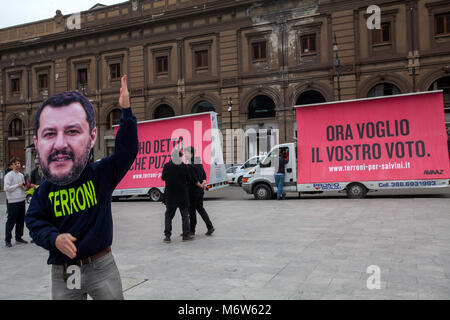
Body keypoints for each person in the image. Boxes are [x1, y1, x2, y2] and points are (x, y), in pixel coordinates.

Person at [25, 75, 138, 300]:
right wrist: (54, 238)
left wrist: (125, 111)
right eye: (50, 134)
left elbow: (127, 152)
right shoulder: (44, 191)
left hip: (100, 265)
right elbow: (34, 222)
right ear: (38, 144)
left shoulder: (99, 175)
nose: (60, 145)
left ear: (91, 137)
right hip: (66, 271)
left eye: (72, 132)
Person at [161, 148, 200, 243]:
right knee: (185, 216)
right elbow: (189, 178)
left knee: (168, 216)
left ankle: (167, 236)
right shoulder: (184, 167)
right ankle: (186, 235)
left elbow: (163, 178)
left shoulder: (166, 166)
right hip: (182, 195)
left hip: (170, 196)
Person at [184, 146, 215, 236]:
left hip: (192, 191)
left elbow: (193, 179)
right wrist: (204, 183)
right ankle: (210, 227)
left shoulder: (189, 165)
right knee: (200, 209)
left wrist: (200, 184)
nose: (185, 155)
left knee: (192, 211)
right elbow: (204, 175)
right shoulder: (199, 163)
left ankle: (192, 230)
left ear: (191, 154)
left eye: (186, 153)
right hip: (200, 191)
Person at [4, 157, 27, 247]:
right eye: (16, 163)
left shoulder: (21, 175)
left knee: (21, 220)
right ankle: (7, 239)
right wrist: (17, 185)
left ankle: (19, 237)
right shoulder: (9, 175)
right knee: (11, 220)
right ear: (12, 165)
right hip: (12, 201)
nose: (18, 165)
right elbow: (6, 188)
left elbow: (23, 186)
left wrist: (24, 187)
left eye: (19, 163)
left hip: (21, 200)